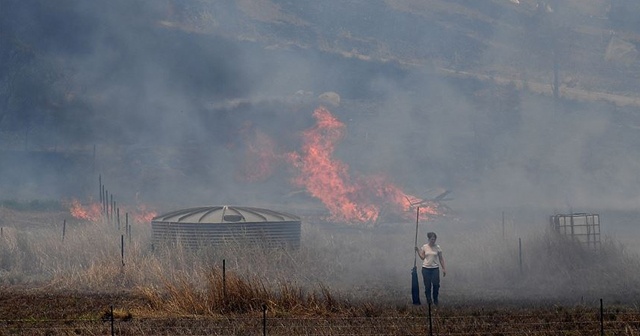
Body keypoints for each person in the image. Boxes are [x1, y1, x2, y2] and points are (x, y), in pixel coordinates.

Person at [415, 232, 446, 305]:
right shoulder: (425, 247)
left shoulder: (438, 247)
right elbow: (422, 257)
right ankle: (429, 300)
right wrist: (418, 251)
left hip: (435, 268)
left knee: (436, 285)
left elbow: (441, 258)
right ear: (429, 239)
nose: (433, 241)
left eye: (434, 239)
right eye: (432, 239)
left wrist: (444, 268)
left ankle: (435, 299)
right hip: (426, 268)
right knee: (427, 285)